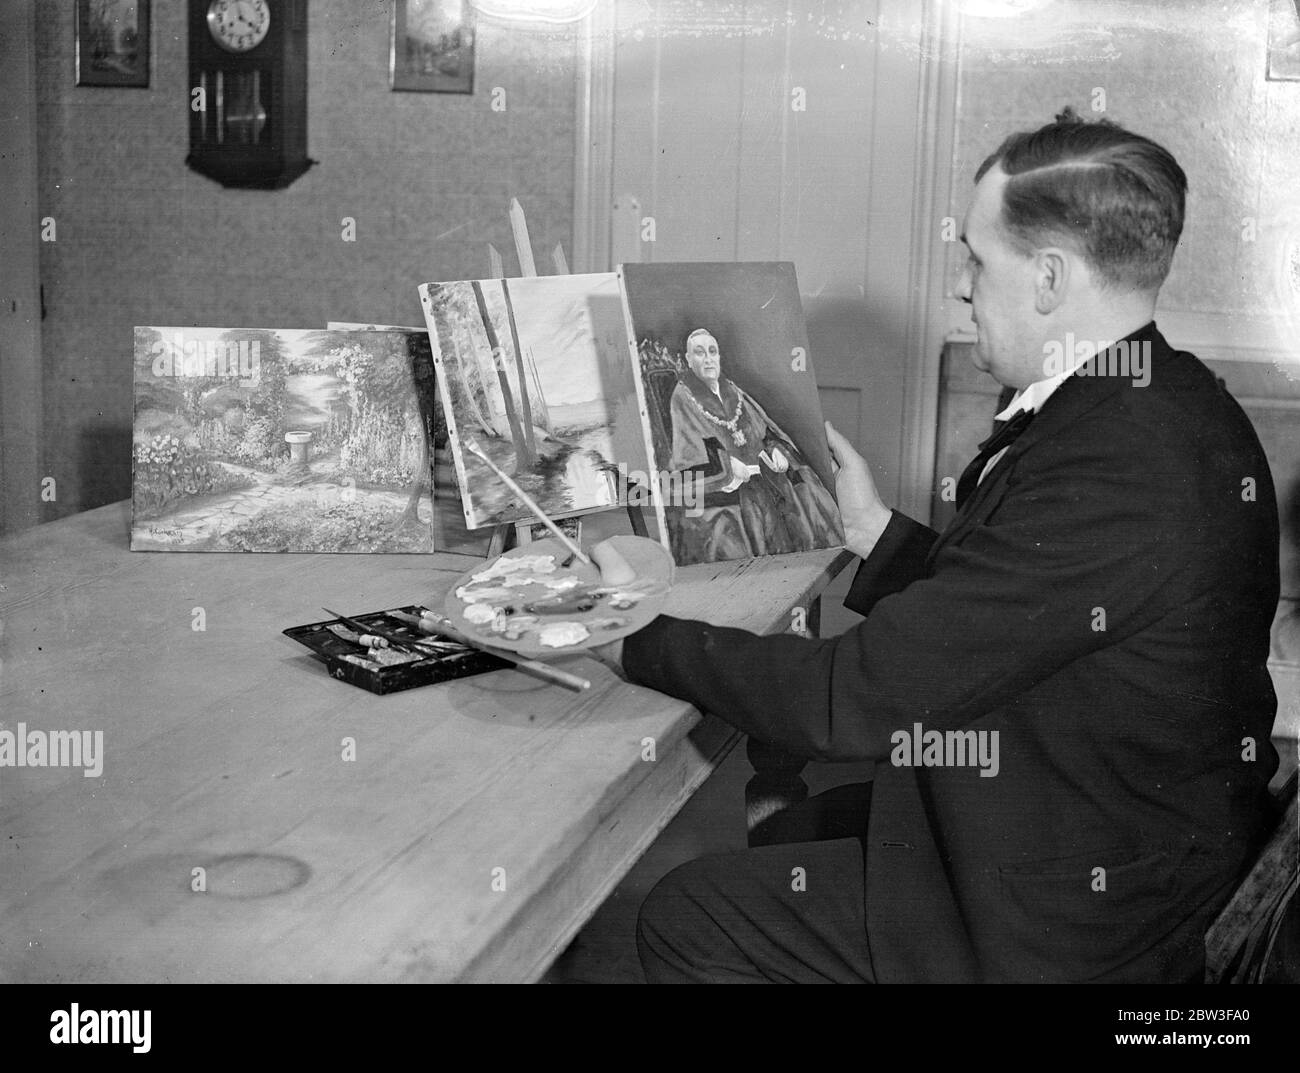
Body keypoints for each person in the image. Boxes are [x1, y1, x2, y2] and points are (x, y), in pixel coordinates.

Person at [595, 109, 1282, 983]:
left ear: (1048, 278)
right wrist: (874, 533)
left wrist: (635, 635)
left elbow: (851, 700)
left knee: (688, 914)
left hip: (1076, 926)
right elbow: (1025, 615)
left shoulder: (1120, 465)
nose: (961, 287)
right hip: (1097, 819)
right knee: (803, 831)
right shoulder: (1158, 400)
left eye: (975, 259)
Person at [665, 328, 842, 562]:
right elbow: (690, 454)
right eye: (699, 353)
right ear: (689, 360)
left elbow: (766, 433)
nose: (708, 358)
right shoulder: (683, 397)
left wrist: (776, 450)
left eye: (712, 351)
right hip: (724, 490)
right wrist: (728, 467)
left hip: (762, 479)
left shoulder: (733, 391)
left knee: (805, 491)